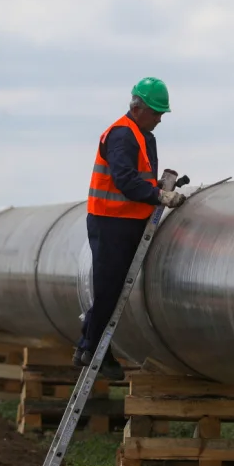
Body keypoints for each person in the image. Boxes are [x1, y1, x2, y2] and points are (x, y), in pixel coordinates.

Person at [74, 77, 187, 380]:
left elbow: (140, 177)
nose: (160, 119)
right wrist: (159, 195)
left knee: (113, 289)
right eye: (156, 113)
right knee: (110, 290)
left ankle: (89, 344)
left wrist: (157, 187)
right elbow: (125, 180)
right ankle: (91, 347)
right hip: (111, 222)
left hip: (127, 220)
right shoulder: (122, 135)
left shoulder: (142, 134)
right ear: (139, 108)